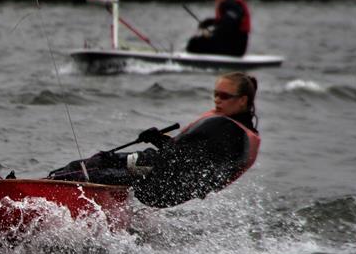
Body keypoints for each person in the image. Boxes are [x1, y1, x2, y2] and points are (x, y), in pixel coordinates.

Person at [47, 72, 260, 208]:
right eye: (215, 94)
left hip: (159, 181)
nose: (217, 100)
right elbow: (191, 155)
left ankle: (38, 196)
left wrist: (158, 140)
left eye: (224, 96)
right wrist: (160, 140)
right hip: (165, 180)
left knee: (92, 169)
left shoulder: (227, 129)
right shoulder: (238, 133)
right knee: (99, 164)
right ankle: (51, 190)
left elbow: (183, 159)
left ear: (242, 101)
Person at [186, 0, 251, 57]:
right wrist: (210, 22)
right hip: (232, 47)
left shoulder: (232, 5)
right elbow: (225, 22)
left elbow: (228, 25)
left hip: (234, 49)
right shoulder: (228, 6)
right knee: (197, 42)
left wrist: (213, 33)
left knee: (194, 44)